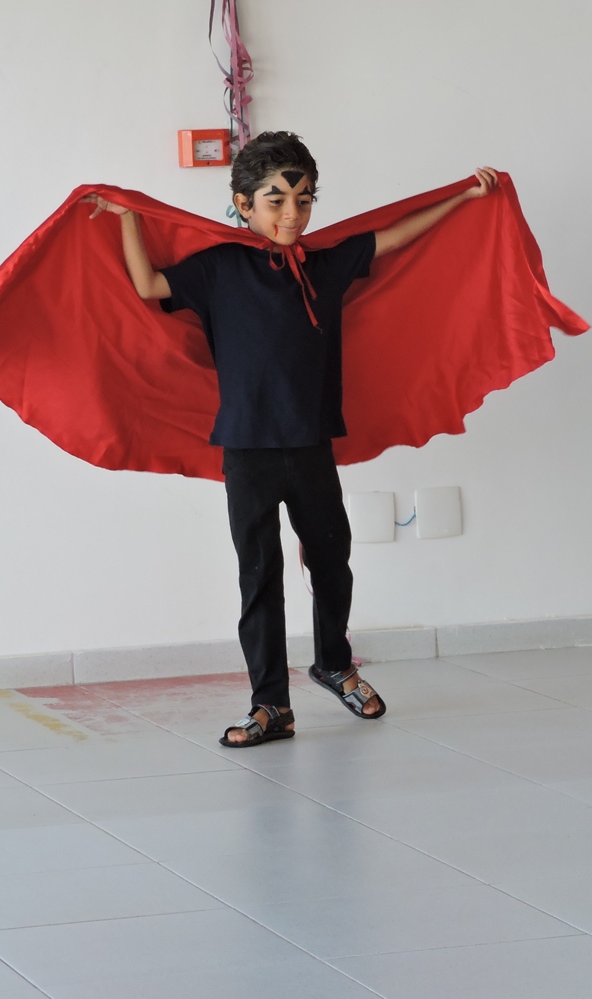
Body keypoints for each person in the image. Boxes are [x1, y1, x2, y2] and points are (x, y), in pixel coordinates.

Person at [84, 132, 499, 745]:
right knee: (260, 576)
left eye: (304, 201)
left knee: (332, 562)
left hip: (309, 445)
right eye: (275, 201)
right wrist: (127, 218)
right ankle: (270, 705)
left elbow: (394, 236)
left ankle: (334, 664)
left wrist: (462, 197)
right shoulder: (219, 268)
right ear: (243, 205)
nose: (292, 215)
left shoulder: (324, 266)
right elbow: (148, 287)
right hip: (247, 449)